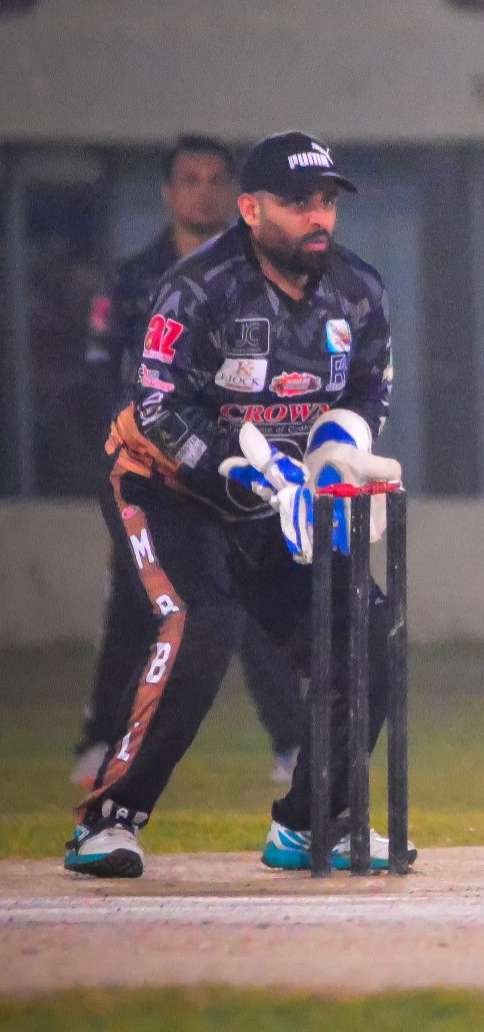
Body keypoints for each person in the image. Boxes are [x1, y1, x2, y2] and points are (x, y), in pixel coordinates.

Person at [64, 131, 412, 879]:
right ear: (251, 210)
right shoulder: (199, 287)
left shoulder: (358, 290)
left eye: (326, 201)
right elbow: (158, 407)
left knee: (365, 630)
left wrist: (332, 457)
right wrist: (249, 470)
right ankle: (109, 819)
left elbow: (366, 391)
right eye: (298, 202)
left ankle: (311, 821)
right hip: (164, 484)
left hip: (275, 495)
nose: (317, 217)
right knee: (202, 623)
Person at [73, 135, 306, 790]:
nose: (202, 193)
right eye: (189, 179)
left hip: (232, 463)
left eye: (214, 180)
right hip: (150, 469)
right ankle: (103, 740)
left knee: (252, 598)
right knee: (137, 600)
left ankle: (293, 743)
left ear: (235, 195)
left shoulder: (259, 273)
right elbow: (101, 377)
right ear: (168, 193)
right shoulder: (133, 278)